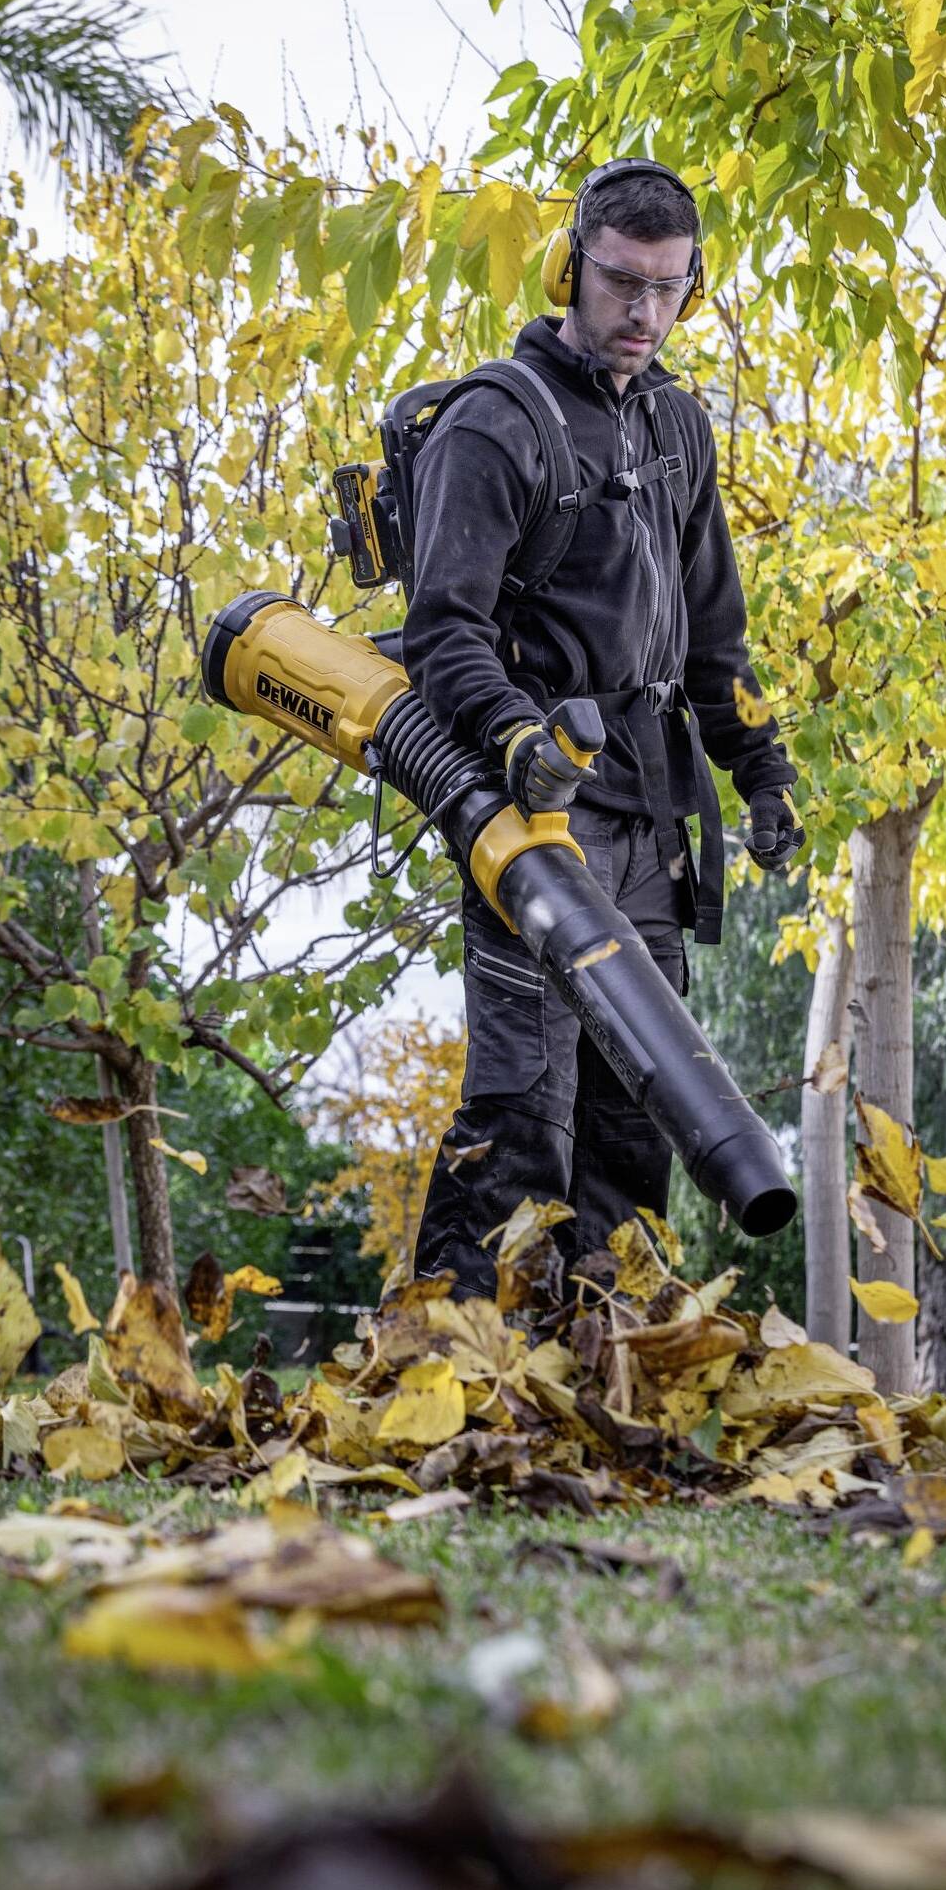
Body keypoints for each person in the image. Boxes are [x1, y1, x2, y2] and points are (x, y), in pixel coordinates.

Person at [403, 158, 802, 1299]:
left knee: (637, 1111)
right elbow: (442, 633)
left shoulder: (676, 428)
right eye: (621, 283)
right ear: (569, 267)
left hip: (647, 821)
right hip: (527, 820)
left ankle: (608, 1357)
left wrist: (760, 773)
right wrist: (513, 737)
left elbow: (714, 638)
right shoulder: (495, 425)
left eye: (669, 289)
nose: (643, 312)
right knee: (525, 1105)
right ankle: (460, 1362)